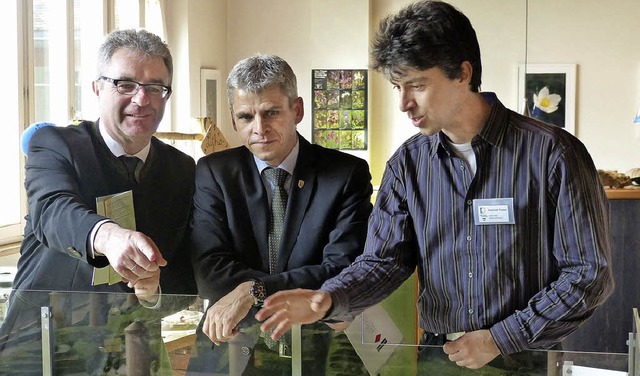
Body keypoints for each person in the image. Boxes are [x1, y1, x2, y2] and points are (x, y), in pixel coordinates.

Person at [256, 1, 614, 373]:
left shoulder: (553, 153)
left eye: (418, 85)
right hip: (439, 356)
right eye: (398, 86)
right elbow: (384, 260)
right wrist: (329, 298)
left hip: (525, 358)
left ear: (462, 72)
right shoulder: (407, 165)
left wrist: (500, 338)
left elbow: (589, 273)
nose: (404, 104)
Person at [0, 29, 196, 373]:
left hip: (127, 353)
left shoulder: (181, 170)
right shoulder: (55, 144)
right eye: (125, 84)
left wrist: (154, 291)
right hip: (39, 344)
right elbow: (51, 208)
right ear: (96, 88)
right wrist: (108, 236)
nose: (142, 98)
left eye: (155, 87)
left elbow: (179, 267)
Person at [186, 53, 373, 375]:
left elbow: (341, 268)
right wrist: (261, 294)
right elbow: (210, 266)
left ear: (296, 110)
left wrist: (253, 291)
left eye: (271, 113)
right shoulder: (214, 172)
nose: (260, 129)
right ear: (233, 120)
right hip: (229, 343)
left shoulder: (344, 174)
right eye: (246, 117)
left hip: (316, 346)